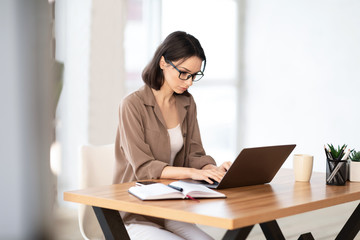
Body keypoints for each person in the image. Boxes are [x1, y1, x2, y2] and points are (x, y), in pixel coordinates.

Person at [113, 31, 232, 240]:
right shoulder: (132, 105)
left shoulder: (187, 103)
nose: (189, 82)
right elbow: (143, 168)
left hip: (171, 207)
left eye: (195, 75)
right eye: (184, 73)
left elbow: (195, 153)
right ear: (163, 63)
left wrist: (209, 169)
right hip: (135, 211)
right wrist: (191, 173)